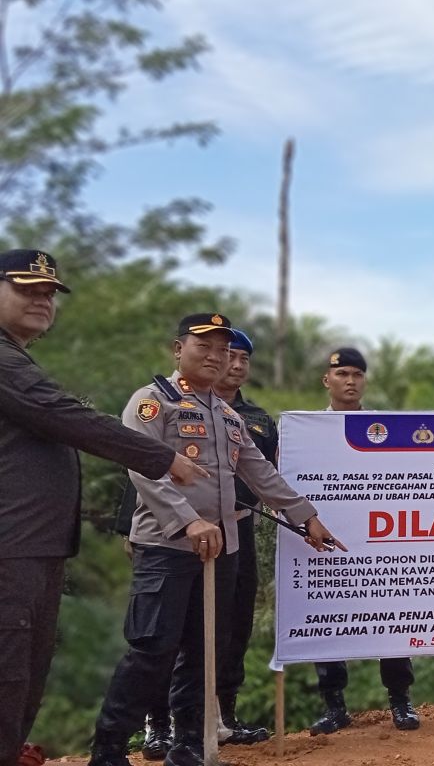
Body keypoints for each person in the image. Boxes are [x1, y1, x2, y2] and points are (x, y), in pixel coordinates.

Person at [88, 314, 343, 766]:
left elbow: (258, 472)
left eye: (222, 349)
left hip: (222, 549)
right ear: (177, 349)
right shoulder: (153, 402)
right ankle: (109, 748)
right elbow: (141, 467)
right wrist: (188, 521)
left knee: (205, 650)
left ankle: (189, 744)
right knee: (152, 648)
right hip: (167, 548)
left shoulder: (226, 413)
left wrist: (307, 516)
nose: (215, 356)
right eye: (204, 346)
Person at [0, 250, 206, 766]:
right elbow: (63, 415)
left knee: (23, 670)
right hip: (11, 548)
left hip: (31, 546)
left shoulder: (15, 357)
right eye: (27, 289)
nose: (42, 300)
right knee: (8, 671)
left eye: (49, 293)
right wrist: (163, 458)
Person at [309, 347, 420, 734]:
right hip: (326, 539)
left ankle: (401, 702)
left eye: (357, 374)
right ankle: (335, 705)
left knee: (393, 619)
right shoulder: (307, 429)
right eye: (342, 375)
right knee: (327, 619)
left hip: (382, 540)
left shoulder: (382, 426)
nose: (350, 381)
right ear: (328, 380)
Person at [210, 328, 276, 744]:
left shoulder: (257, 420)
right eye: (229, 356)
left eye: (243, 359)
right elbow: (147, 467)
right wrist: (132, 529)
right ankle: (160, 726)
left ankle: (225, 718)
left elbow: (271, 472)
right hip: (181, 532)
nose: (235, 366)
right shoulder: (172, 406)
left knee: (236, 622)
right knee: (177, 626)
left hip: (241, 525)